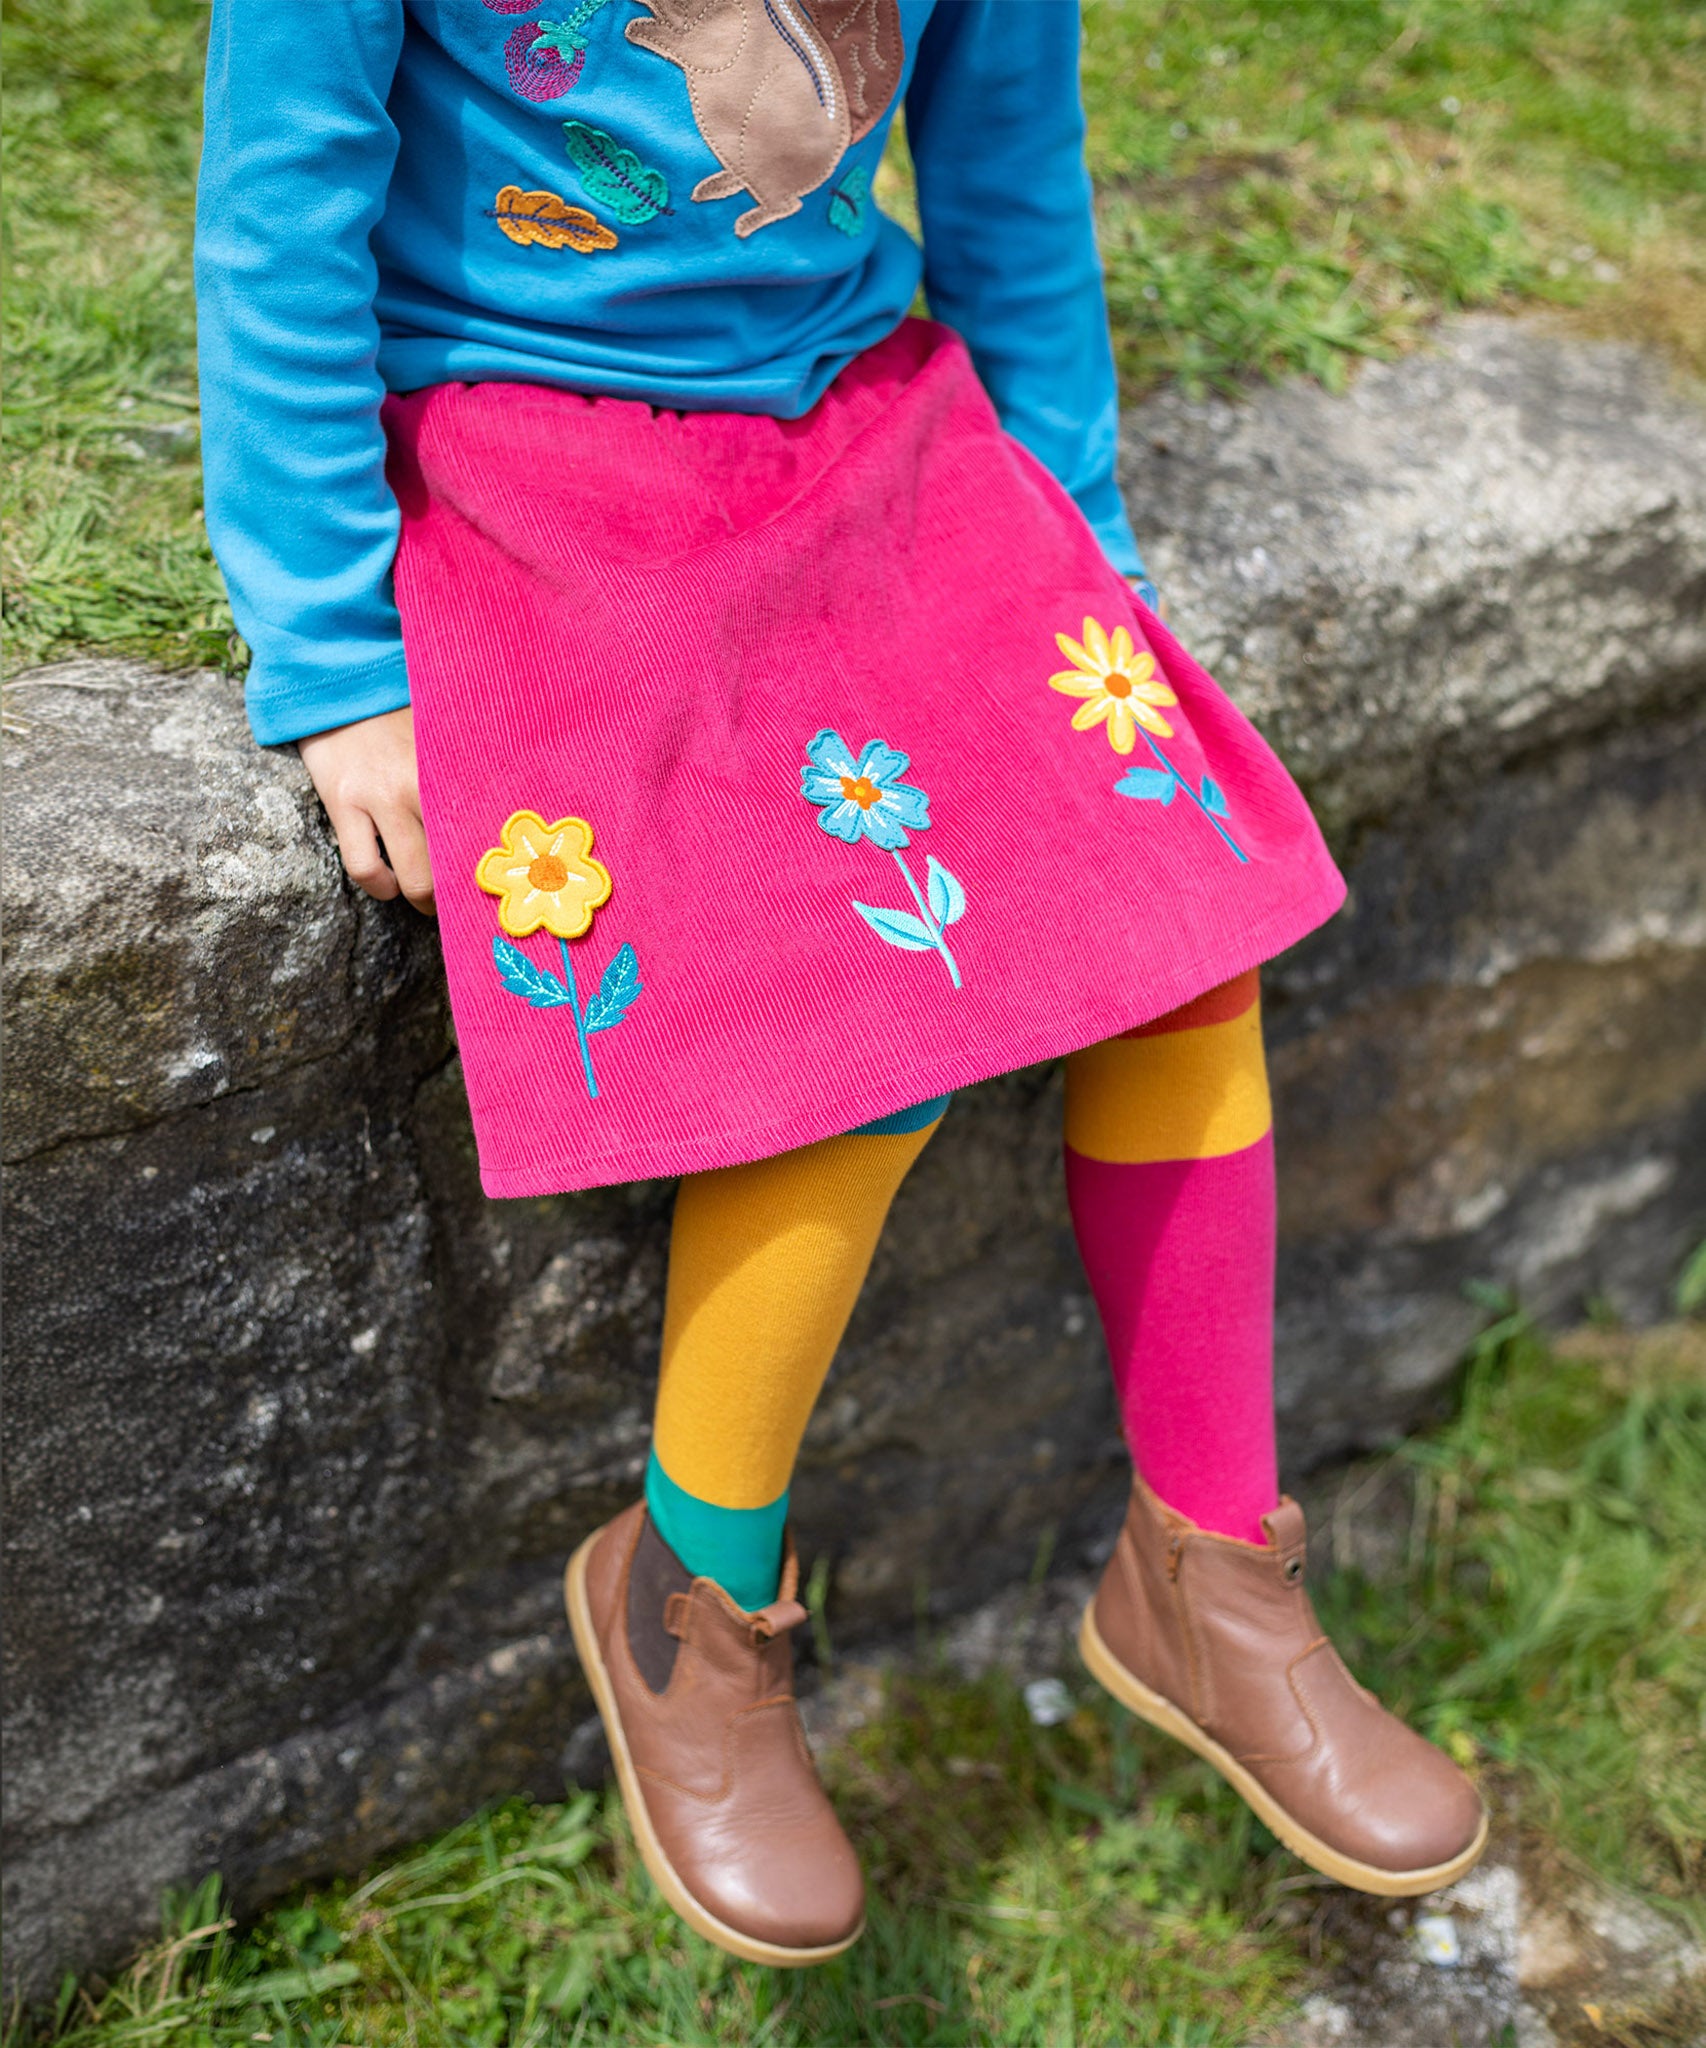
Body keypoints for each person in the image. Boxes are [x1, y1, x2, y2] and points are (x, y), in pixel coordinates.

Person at [196, 0, 1485, 1972]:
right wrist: (334, 653)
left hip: (861, 421)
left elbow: (1008, 189)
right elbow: (280, 202)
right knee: (852, 983)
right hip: (531, 447)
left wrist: (1082, 547)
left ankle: (1207, 1568)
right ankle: (686, 1596)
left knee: (1176, 923)